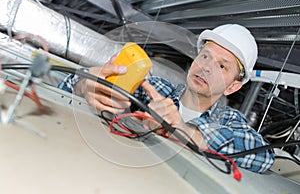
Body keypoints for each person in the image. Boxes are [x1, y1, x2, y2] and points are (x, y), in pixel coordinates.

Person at [58, 24, 274, 173]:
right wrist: (84, 86)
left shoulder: (230, 121)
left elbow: (264, 157)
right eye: (205, 56)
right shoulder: (155, 88)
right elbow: (65, 84)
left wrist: (184, 131)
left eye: (221, 65)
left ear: (233, 86)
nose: (206, 67)